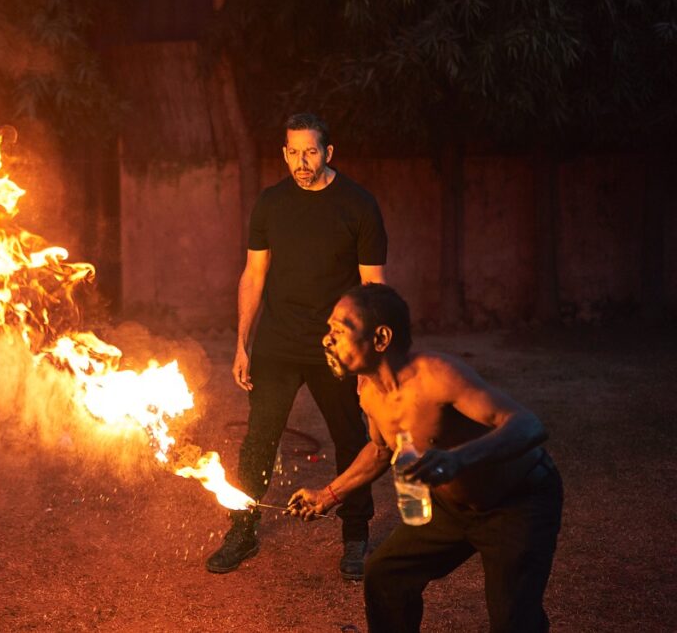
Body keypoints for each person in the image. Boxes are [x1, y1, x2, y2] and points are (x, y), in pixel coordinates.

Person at [288, 284, 563, 632]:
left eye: (339, 331)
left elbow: (528, 425)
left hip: (516, 503)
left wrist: (459, 460)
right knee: (386, 574)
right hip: (452, 509)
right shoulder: (369, 393)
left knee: (514, 621)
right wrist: (327, 495)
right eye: (329, 330)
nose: (327, 340)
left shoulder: (436, 376)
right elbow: (379, 451)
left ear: (381, 338)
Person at [206, 113, 388, 579]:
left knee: (352, 439)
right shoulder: (270, 204)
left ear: (329, 152)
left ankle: (355, 536)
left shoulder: (359, 206)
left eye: (311, 152)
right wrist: (242, 343)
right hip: (279, 342)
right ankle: (242, 531)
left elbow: (373, 289)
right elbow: (254, 275)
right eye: (293, 152)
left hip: (338, 347)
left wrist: (370, 361)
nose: (301, 162)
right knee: (258, 441)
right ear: (284, 153)